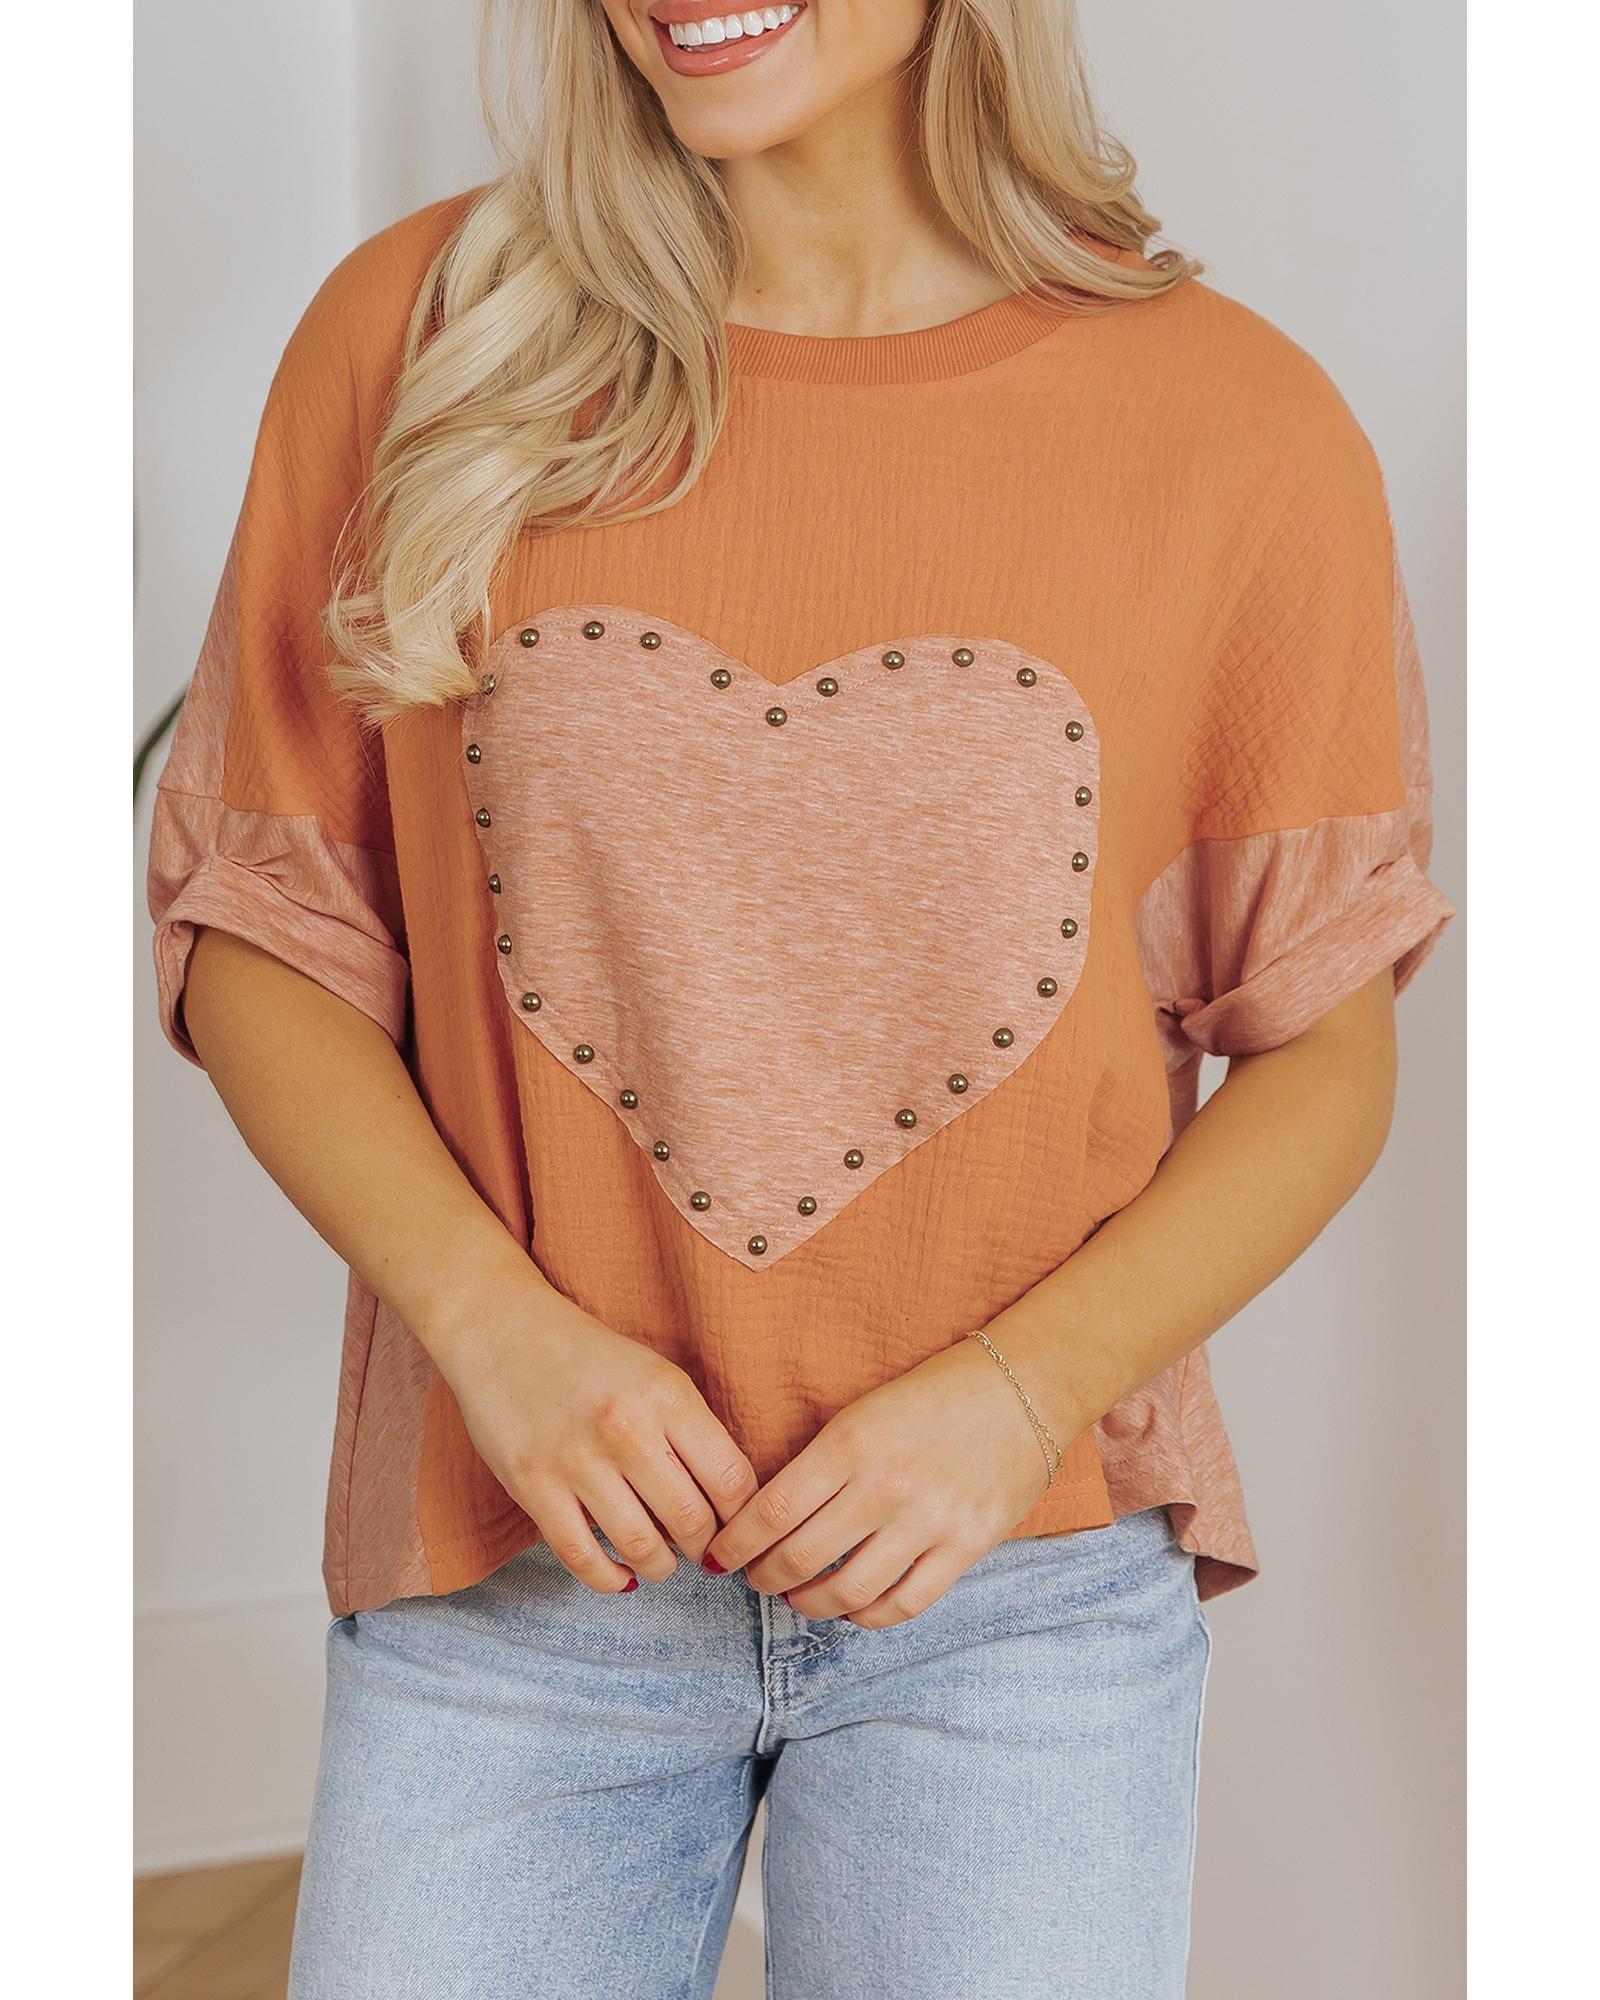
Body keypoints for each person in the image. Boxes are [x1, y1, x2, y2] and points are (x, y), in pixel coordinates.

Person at [145, 3, 1454, 1994]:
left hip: (1012, 1581)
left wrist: (1016, 1398)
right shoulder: (430, 337)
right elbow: (264, 928)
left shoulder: (1234, 425)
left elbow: (1322, 1045)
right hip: (519, 1561)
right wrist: (495, 1335)